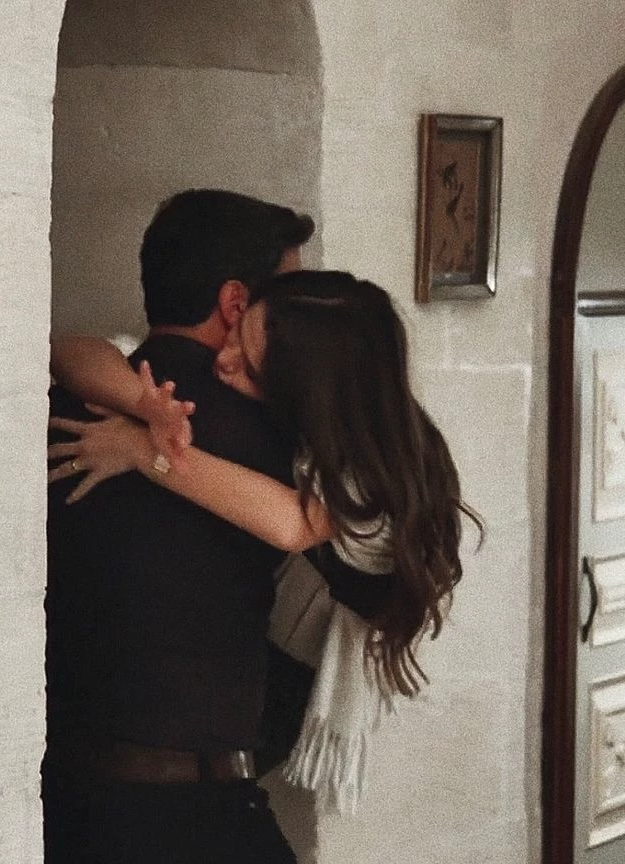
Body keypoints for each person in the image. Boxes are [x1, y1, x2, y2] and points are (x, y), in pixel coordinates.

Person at [49, 269, 482, 813]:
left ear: (309, 393)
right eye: (236, 334)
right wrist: (144, 404)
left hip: (295, 679)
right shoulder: (276, 416)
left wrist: (142, 450)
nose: (224, 360)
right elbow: (69, 351)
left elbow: (291, 524)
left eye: (251, 367)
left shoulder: (375, 478)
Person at [45, 188, 362, 864]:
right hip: (198, 813)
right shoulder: (281, 434)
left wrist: (148, 445)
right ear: (237, 304)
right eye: (285, 296)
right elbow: (365, 571)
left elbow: (69, 349)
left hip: (63, 808)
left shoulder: (65, 400)